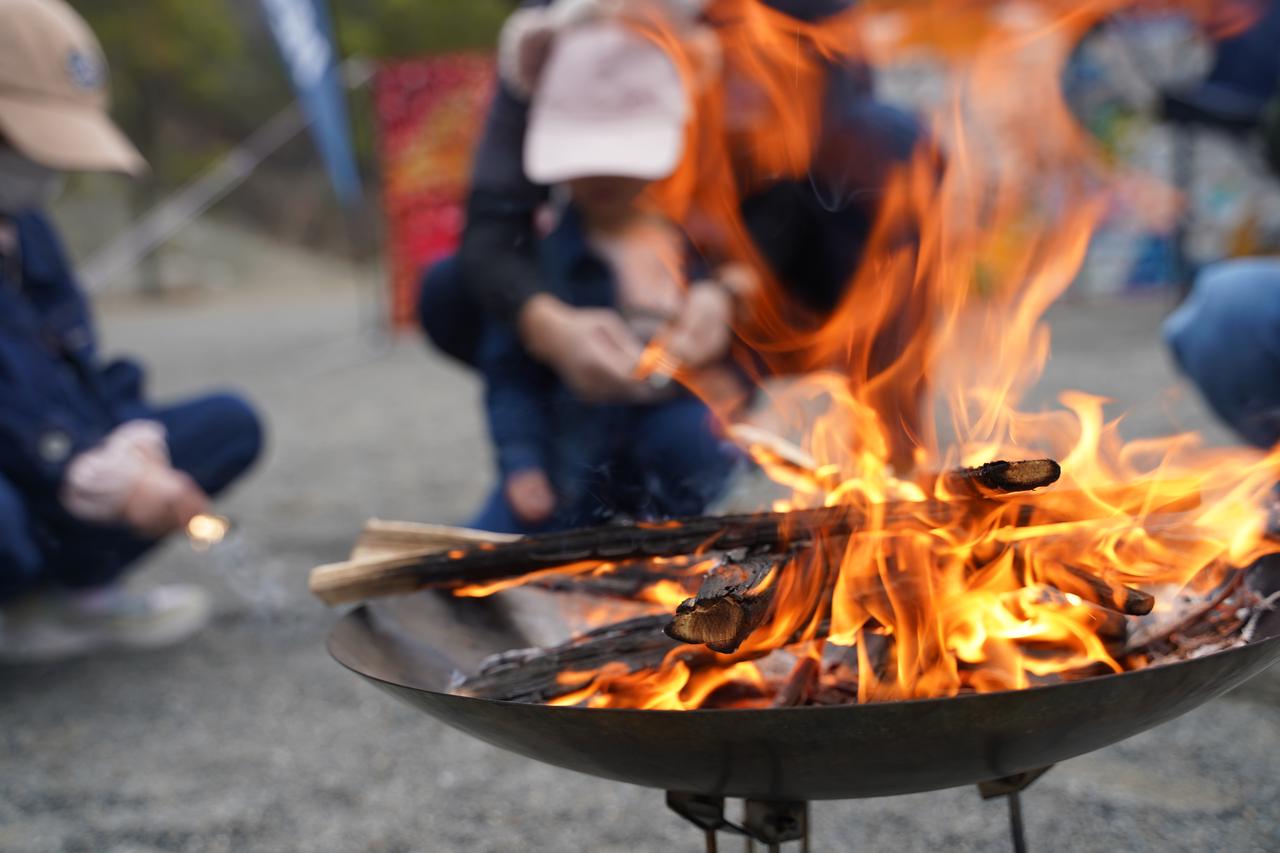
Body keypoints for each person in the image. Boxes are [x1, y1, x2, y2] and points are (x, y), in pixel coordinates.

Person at [419, 0, 924, 401]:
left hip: (755, 269)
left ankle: (881, 426)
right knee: (448, 289)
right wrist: (549, 326)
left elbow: (798, 191)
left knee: (893, 147)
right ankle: (569, 414)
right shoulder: (549, 30)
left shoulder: (789, 13)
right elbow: (492, 220)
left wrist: (729, 293)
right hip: (614, 287)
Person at [0, 0, 263, 661]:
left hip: (54, 464)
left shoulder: (26, 226)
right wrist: (83, 467)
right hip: (25, 467)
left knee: (226, 423)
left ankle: (69, 589)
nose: (42, 169)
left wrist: (129, 436)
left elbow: (72, 359)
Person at [470, 19, 745, 533]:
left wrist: (729, 384)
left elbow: (739, 355)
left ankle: (674, 539)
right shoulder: (541, 259)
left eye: (621, 161)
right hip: (567, 460)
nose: (602, 177)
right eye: (586, 161)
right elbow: (509, 377)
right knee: (480, 550)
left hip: (665, 446)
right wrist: (521, 463)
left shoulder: (692, 248)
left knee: (696, 440)